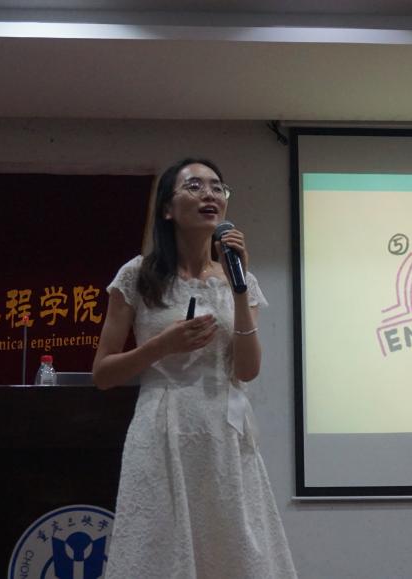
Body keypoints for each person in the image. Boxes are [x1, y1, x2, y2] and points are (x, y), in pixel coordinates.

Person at [92, 158, 298, 578]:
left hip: (225, 432)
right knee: (158, 551)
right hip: (161, 428)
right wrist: (159, 347)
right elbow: (103, 374)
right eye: (195, 186)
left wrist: (238, 290)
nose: (210, 195)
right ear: (167, 209)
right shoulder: (138, 274)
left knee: (234, 551)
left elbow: (248, 370)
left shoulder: (241, 280)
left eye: (218, 187)